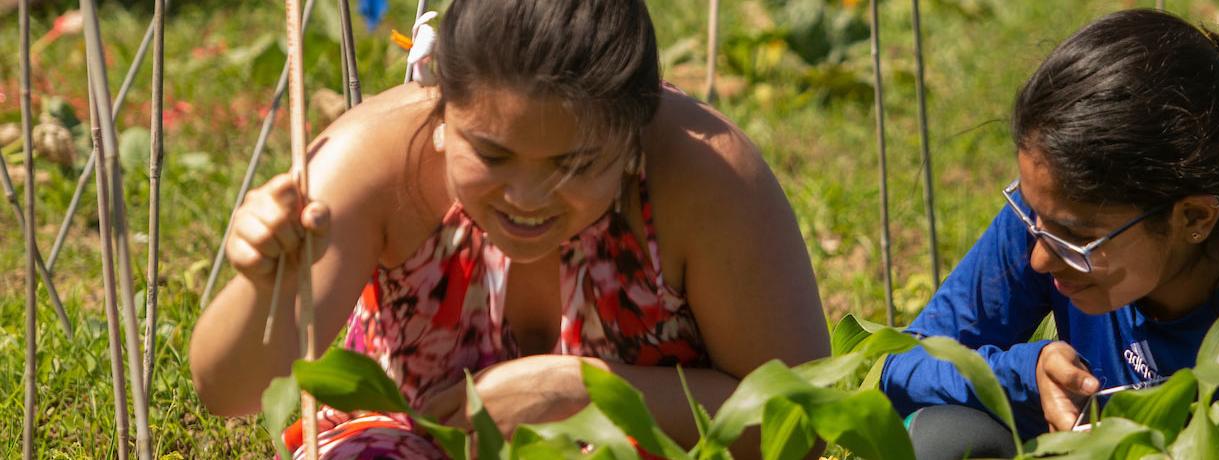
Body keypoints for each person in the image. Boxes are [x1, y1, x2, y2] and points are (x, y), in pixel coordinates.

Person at [187, 0, 829, 457]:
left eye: (574, 164)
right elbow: (233, 394)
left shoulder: (705, 177)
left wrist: (581, 391)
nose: (526, 197)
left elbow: (797, 420)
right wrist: (259, 283)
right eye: (491, 156)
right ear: (441, 111)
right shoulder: (374, 162)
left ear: (634, 137)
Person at [881, 9, 1219, 460]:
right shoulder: (1051, 223)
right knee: (941, 437)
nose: (1038, 258)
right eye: (1031, 214)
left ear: (1194, 220)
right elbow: (891, 365)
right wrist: (1022, 376)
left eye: (1077, 236)